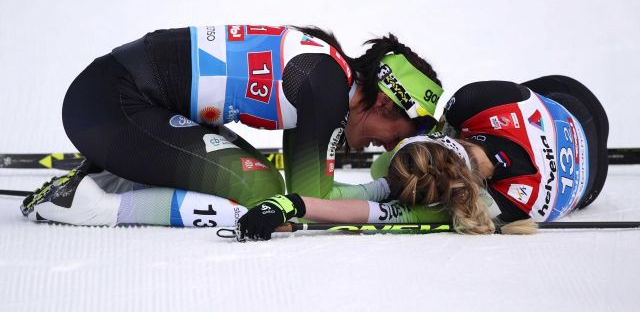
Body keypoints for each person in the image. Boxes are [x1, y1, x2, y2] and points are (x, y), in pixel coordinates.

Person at [21, 25, 444, 228]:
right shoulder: (327, 88)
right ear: (388, 104)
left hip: (110, 100)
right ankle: (95, 205)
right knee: (263, 193)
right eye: (400, 137)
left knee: (266, 185)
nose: (386, 147)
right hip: (112, 107)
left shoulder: (328, 71)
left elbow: (304, 192)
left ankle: (108, 176)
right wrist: (389, 196)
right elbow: (310, 206)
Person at [234, 75, 608, 239]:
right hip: (573, 101)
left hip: (583, 143)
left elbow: (367, 205)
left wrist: (293, 203)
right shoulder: (479, 103)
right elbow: (372, 209)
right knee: (389, 170)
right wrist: (293, 204)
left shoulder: (484, 203)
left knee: (384, 169)